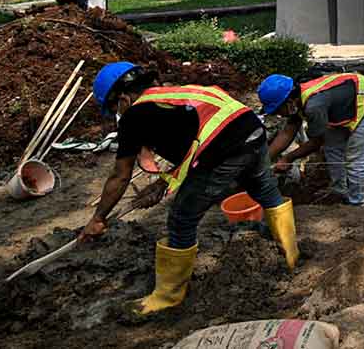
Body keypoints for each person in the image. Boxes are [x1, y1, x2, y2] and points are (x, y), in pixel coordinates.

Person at [78, 62, 299, 316]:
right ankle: (291, 254)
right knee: (266, 192)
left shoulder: (134, 116)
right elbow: (192, 143)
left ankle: (167, 296)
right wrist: (164, 182)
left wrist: (98, 218)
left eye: (114, 108)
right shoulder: (173, 96)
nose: (117, 113)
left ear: (123, 98)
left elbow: (120, 175)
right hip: (251, 131)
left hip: (227, 148)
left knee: (182, 217)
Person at [258, 72, 364, 206]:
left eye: (277, 111)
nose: (279, 115)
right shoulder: (297, 100)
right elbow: (287, 133)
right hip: (347, 104)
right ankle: (339, 192)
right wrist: (263, 162)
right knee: (332, 147)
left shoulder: (314, 106)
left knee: (356, 160)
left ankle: (356, 205)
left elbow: (316, 142)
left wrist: (288, 158)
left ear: (288, 102)